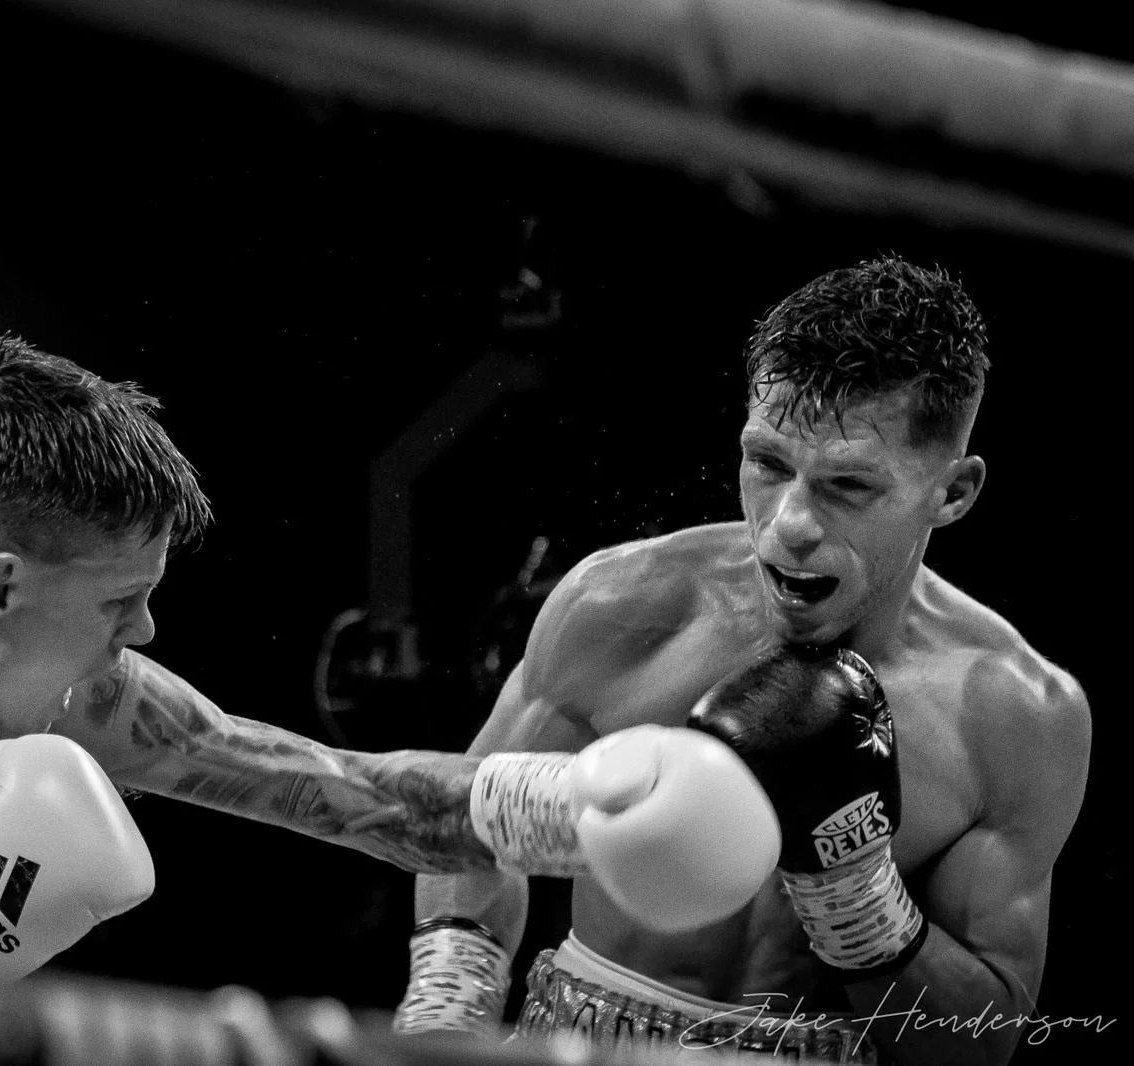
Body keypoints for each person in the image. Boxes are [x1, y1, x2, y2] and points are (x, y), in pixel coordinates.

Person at [0, 331, 782, 978]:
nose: (143, 633)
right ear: (0, 586)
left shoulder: (76, 700)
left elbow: (360, 798)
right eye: (120, 600)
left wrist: (592, 806)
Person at [397, 256, 1092, 1065]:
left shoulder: (1015, 714)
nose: (788, 525)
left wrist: (855, 893)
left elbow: (980, 1043)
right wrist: (449, 1005)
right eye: (767, 463)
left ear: (954, 493)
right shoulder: (625, 605)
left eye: (847, 486)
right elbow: (472, 829)